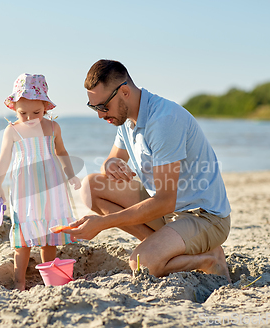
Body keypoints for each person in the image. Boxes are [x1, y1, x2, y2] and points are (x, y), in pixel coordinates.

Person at [65, 60, 232, 282]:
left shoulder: (164, 122)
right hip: (169, 212)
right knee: (91, 187)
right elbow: (113, 158)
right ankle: (166, 244)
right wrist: (110, 164)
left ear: (124, 91)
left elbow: (165, 201)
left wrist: (103, 223)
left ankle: (209, 258)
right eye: (93, 107)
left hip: (203, 217)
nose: (100, 115)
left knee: (141, 264)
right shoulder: (126, 119)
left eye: (103, 107)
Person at [0, 73, 81, 290]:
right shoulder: (13, 130)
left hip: (52, 185)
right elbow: (4, 158)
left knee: (49, 235)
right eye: (23, 113)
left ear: (46, 107)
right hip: (25, 187)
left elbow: (61, 152)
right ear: (14, 108)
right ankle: (19, 281)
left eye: (37, 112)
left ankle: (49, 279)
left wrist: (71, 174)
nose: (30, 117)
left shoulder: (52, 128)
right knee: (23, 235)